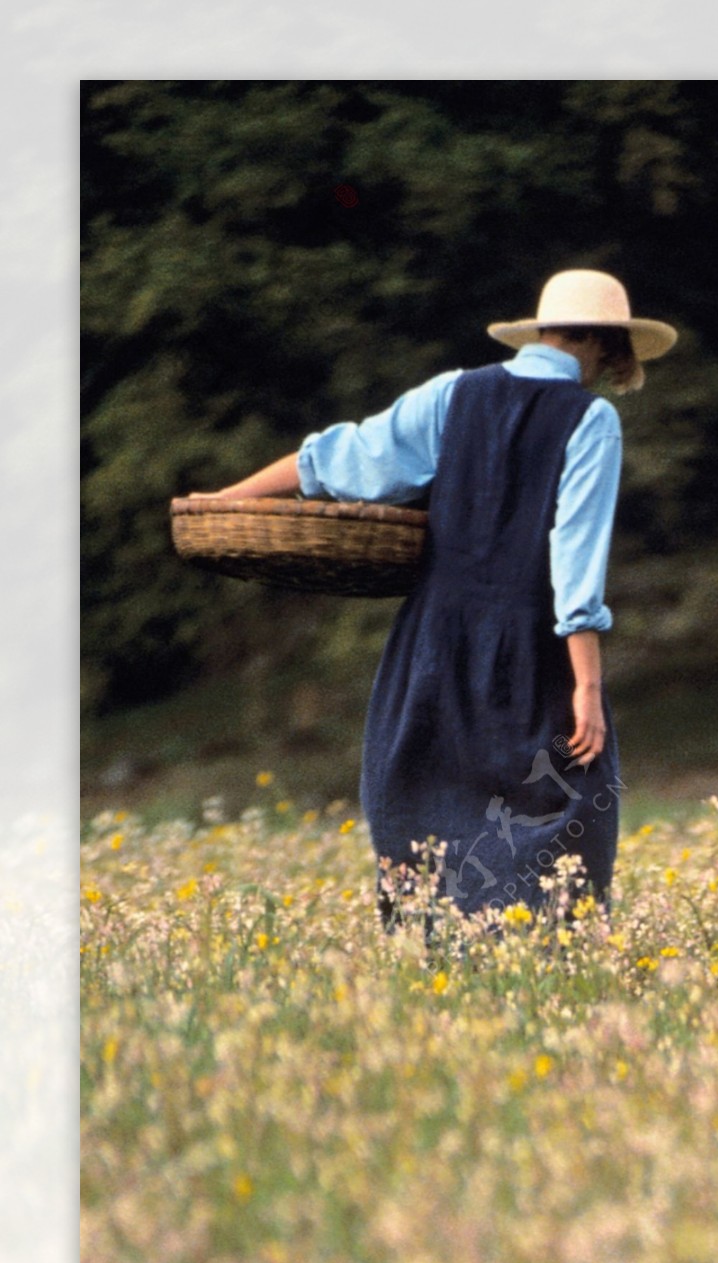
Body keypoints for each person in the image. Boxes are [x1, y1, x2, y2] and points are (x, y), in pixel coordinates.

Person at [187, 269, 677, 930]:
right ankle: (538, 961)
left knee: (425, 802)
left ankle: (440, 953)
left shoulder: (454, 394)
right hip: (533, 651)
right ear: (604, 344)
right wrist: (587, 683)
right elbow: (576, 557)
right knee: (568, 809)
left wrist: (224, 500)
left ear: (543, 331)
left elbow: (337, 458)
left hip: (432, 646)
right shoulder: (592, 420)